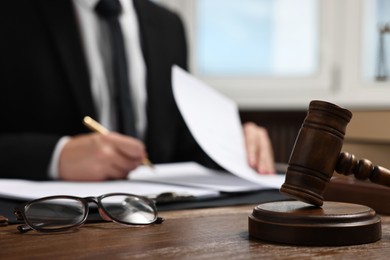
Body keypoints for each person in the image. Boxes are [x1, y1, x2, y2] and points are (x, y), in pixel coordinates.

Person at [0, 0, 275, 181]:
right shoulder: (12, 16)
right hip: (49, 229)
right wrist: (56, 156)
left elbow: (179, 142)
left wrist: (233, 144)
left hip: (158, 225)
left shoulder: (168, 25)